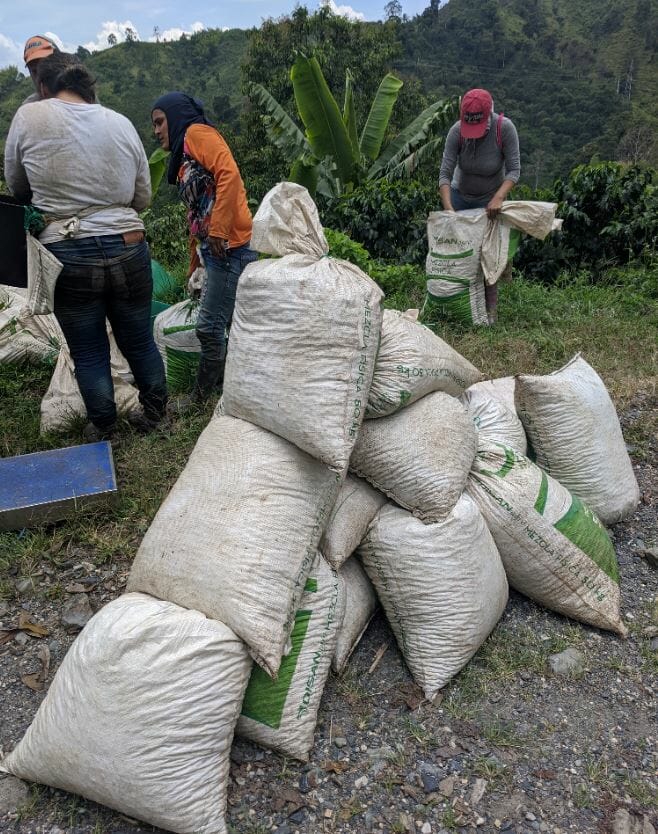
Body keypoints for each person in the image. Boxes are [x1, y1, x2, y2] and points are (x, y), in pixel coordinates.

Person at [4, 52, 168, 441]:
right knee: (139, 339)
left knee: (89, 349)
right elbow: (142, 198)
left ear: (44, 86)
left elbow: (16, 186)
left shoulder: (30, 116)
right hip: (129, 245)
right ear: (87, 86)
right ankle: (158, 415)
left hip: (67, 252)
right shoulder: (121, 123)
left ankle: (106, 427)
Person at [151, 92, 256, 405]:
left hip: (229, 248)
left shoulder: (197, 134)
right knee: (231, 323)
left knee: (209, 328)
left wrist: (220, 231)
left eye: (160, 122)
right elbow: (196, 213)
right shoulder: (184, 155)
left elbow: (230, 174)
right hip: (214, 250)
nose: (156, 131)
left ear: (176, 116)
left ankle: (202, 397)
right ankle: (236, 384)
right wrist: (193, 261)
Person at [438, 89, 521, 321]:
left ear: (489, 116)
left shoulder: (504, 129)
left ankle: (490, 310)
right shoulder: (456, 132)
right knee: (458, 252)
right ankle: (457, 305)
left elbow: (514, 170)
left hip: (489, 201)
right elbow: (444, 174)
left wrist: (499, 197)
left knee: (488, 256)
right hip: (459, 195)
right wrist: (448, 209)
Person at [22, 34, 59, 104]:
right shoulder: (28, 107)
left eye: (45, 68)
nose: (40, 77)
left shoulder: (79, 99)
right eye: (34, 71)